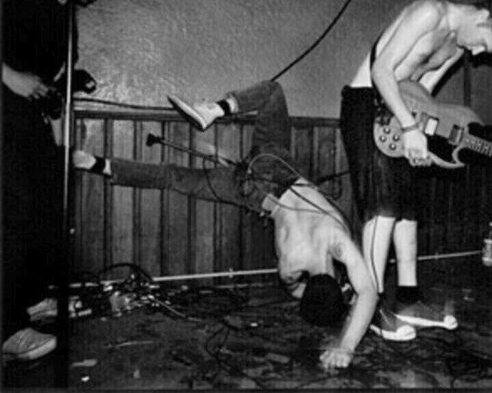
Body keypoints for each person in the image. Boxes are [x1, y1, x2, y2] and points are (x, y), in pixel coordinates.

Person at [74, 81, 377, 371]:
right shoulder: (289, 268)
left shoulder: (337, 239)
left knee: (272, 93)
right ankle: (99, 164)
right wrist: (343, 346)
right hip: (252, 193)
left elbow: (368, 292)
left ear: (338, 283)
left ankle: (215, 110)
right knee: (174, 178)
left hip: (277, 170)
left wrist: (346, 313)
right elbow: (303, 291)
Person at [339, 0, 492, 341]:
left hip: (404, 114)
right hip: (367, 104)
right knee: (383, 208)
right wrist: (411, 128)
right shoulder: (430, 12)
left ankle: (408, 299)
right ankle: (371, 306)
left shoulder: (456, 45)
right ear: (482, 17)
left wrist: (424, 128)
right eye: (484, 43)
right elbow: (382, 71)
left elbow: (423, 92)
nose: (479, 54)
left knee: (407, 209)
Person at [2, 0, 124, 362]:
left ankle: (30, 300)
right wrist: (11, 76)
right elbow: (22, 80)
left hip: (27, 125)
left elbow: (53, 93)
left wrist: (59, 147)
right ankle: (7, 332)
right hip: (2, 114)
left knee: (44, 208)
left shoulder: (65, 27)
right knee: (12, 209)